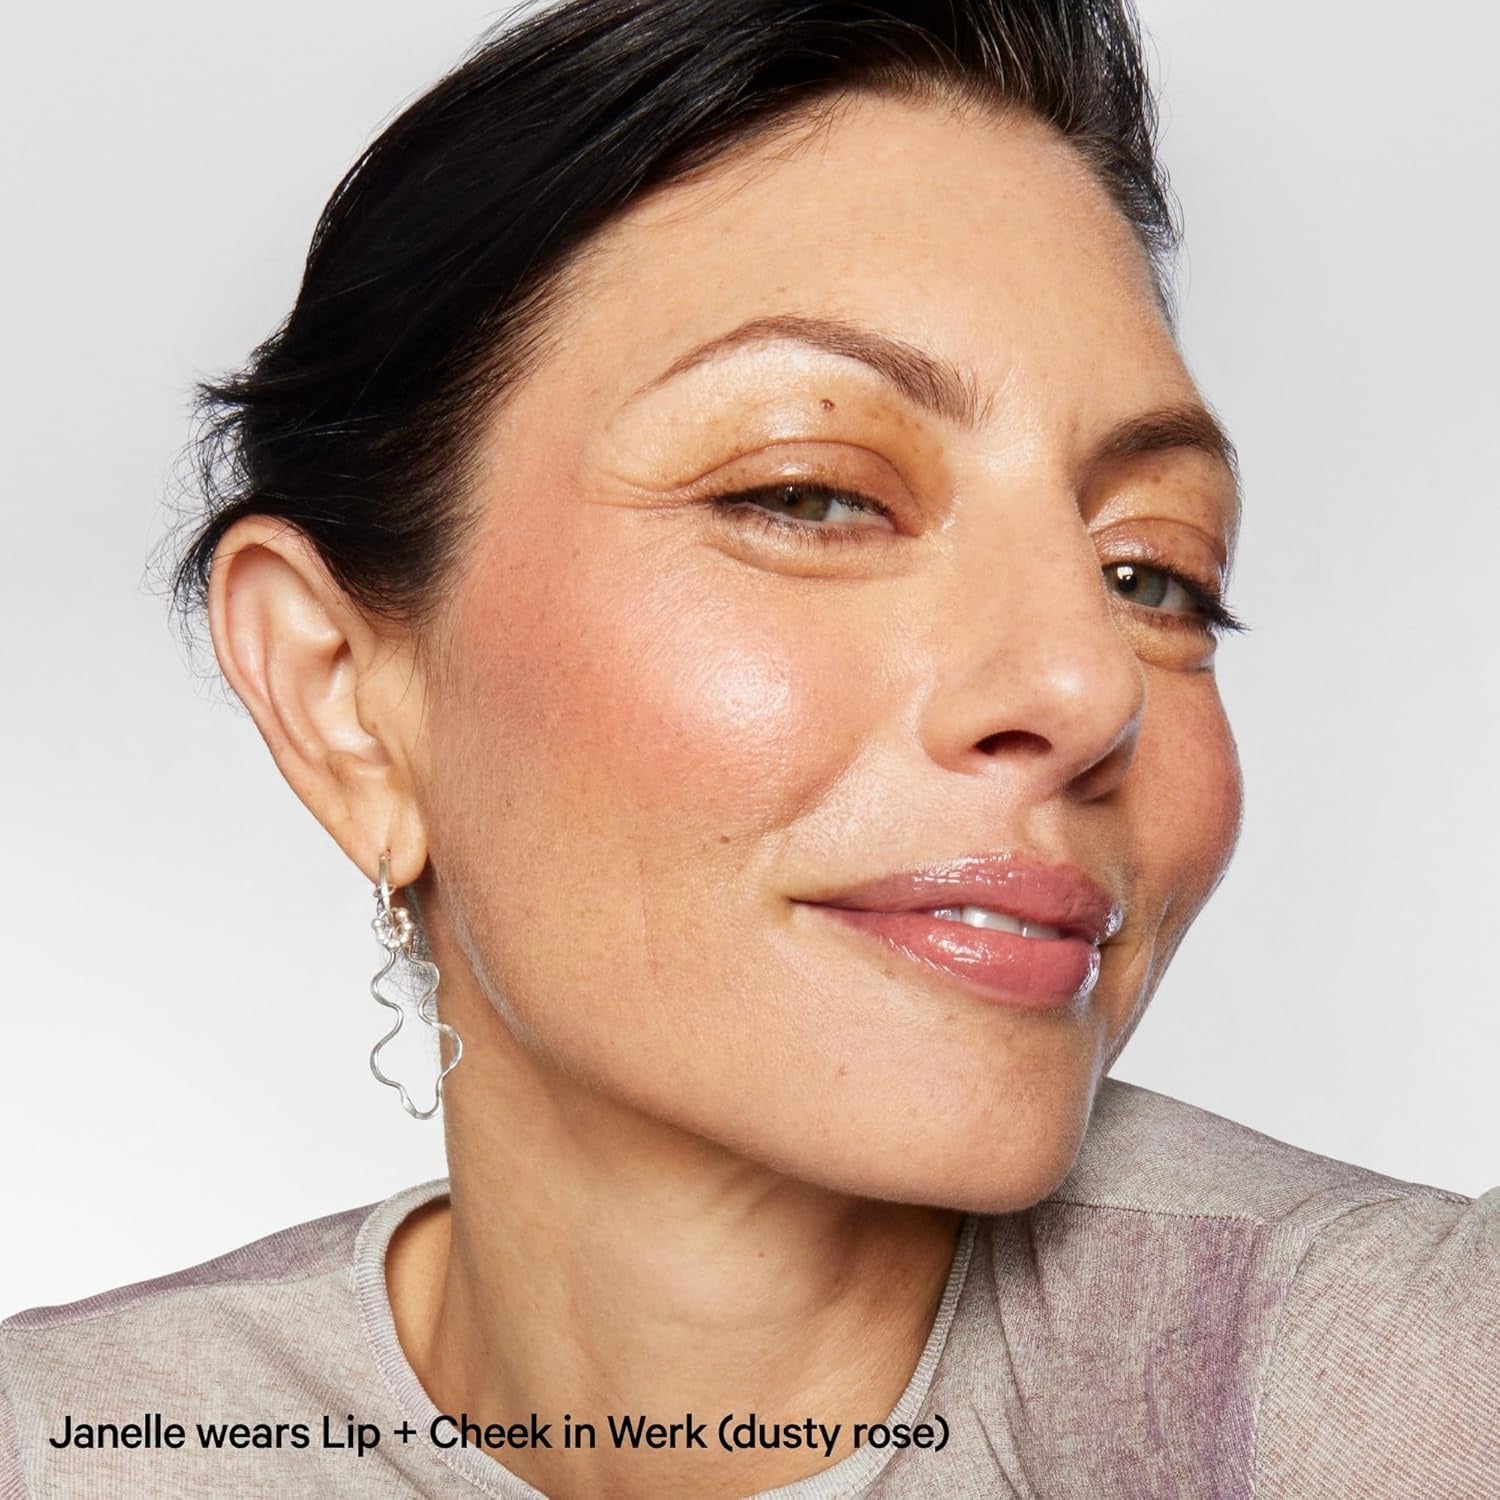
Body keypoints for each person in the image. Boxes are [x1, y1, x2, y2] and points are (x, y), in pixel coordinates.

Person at [3, 0, 1495, 1495]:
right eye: (810, 494)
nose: (1087, 681)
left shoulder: (1387, 1389)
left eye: (1153, 575)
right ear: (343, 696)